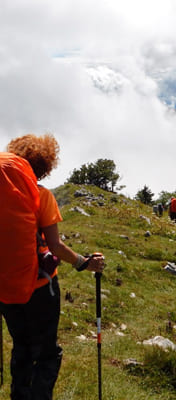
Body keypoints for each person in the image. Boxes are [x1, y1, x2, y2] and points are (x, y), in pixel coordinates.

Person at [0, 134, 105, 400]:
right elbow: (55, 246)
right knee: (47, 353)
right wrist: (83, 263)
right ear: (43, 165)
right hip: (40, 287)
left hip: (6, 287)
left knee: (21, 347)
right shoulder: (41, 195)